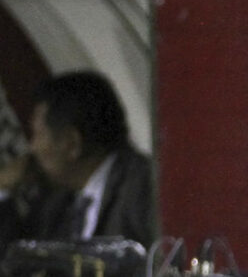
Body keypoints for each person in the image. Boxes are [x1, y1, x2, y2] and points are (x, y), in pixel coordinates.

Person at [0, 71, 154, 257]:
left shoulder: (144, 187)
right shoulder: (55, 203)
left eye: (38, 134)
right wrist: (3, 189)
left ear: (72, 144)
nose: (32, 148)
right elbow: (16, 261)